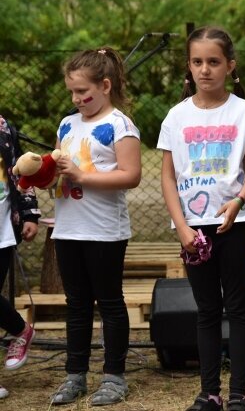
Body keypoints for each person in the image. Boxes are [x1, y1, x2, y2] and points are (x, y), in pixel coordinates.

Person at [159, 27, 245, 411]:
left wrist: (237, 202)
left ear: (230, 66)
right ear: (189, 66)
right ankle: (209, 394)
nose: (205, 70)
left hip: (235, 224)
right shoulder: (176, 116)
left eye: (214, 62)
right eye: (197, 62)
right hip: (192, 228)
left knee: (236, 306)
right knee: (206, 309)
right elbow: (167, 177)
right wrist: (183, 226)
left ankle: (237, 395)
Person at [49, 48, 142, 406]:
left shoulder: (121, 125)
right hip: (68, 229)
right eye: (72, 92)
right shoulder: (67, 124)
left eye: (82, 92)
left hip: (104, 230)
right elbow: (58, 169)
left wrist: (81, 176)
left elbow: (130, 175)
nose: (76, 99)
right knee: (76, 305)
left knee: (110, 303)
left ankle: (114, 377)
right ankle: (75, 376)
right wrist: (40, 177)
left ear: (105, 85)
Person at [0, 115, 39, 399]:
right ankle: (20, 328)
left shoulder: (3, 127)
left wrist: (29, 212)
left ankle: (20, 330)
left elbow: (20, 173)